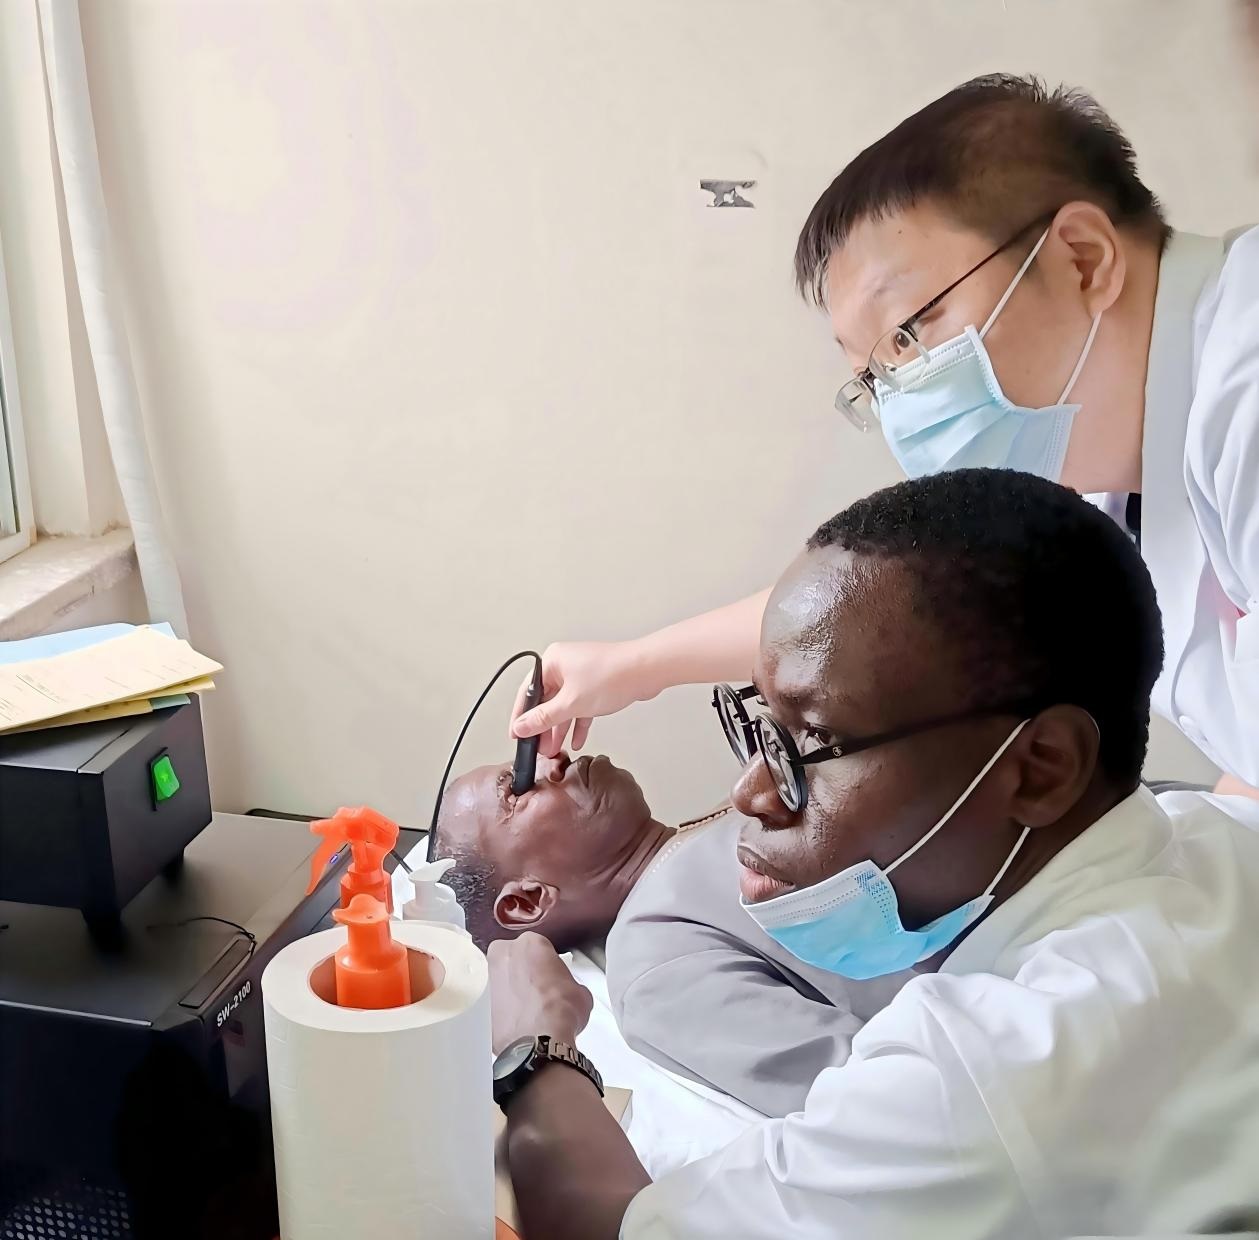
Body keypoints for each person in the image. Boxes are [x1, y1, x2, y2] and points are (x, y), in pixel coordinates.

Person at [489, 469, 1259, 1240]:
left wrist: (532, 1050)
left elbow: (610, 1228)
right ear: (524, 901)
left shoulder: (982, 1076)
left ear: (1041, 768)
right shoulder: (1215, 834)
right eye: (511, 789)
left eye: (813, 739)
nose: (751, 790)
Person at [512, 73, 1259, 798]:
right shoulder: (1092, 469)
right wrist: (635, 666)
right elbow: (882, 596)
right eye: (873, 375)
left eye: (906, 333)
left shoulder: (1245, 379)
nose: (901, 397)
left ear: (1082, 260)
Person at [431, 753, 907, 1115]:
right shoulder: (653, 968)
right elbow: (884, 1100)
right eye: (516, 789)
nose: (553, 760)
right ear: (528, 901)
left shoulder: (709, 827)